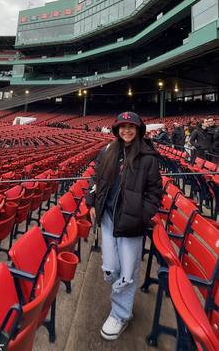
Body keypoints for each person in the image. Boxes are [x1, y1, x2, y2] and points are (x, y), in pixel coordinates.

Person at [86, 111, 162, 341]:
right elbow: (96, 178)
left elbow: (155, 192)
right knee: (111, 267)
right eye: (122, 126)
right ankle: (119, 303)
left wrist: (141, 216)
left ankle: (121, 313)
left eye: (131, 126)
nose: (127, 130)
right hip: (108, 217)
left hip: (131, 222)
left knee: (128, 272)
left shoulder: (148, 156)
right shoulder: (109, 151)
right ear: (117, 130)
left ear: (138, 130)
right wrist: (92, 202)